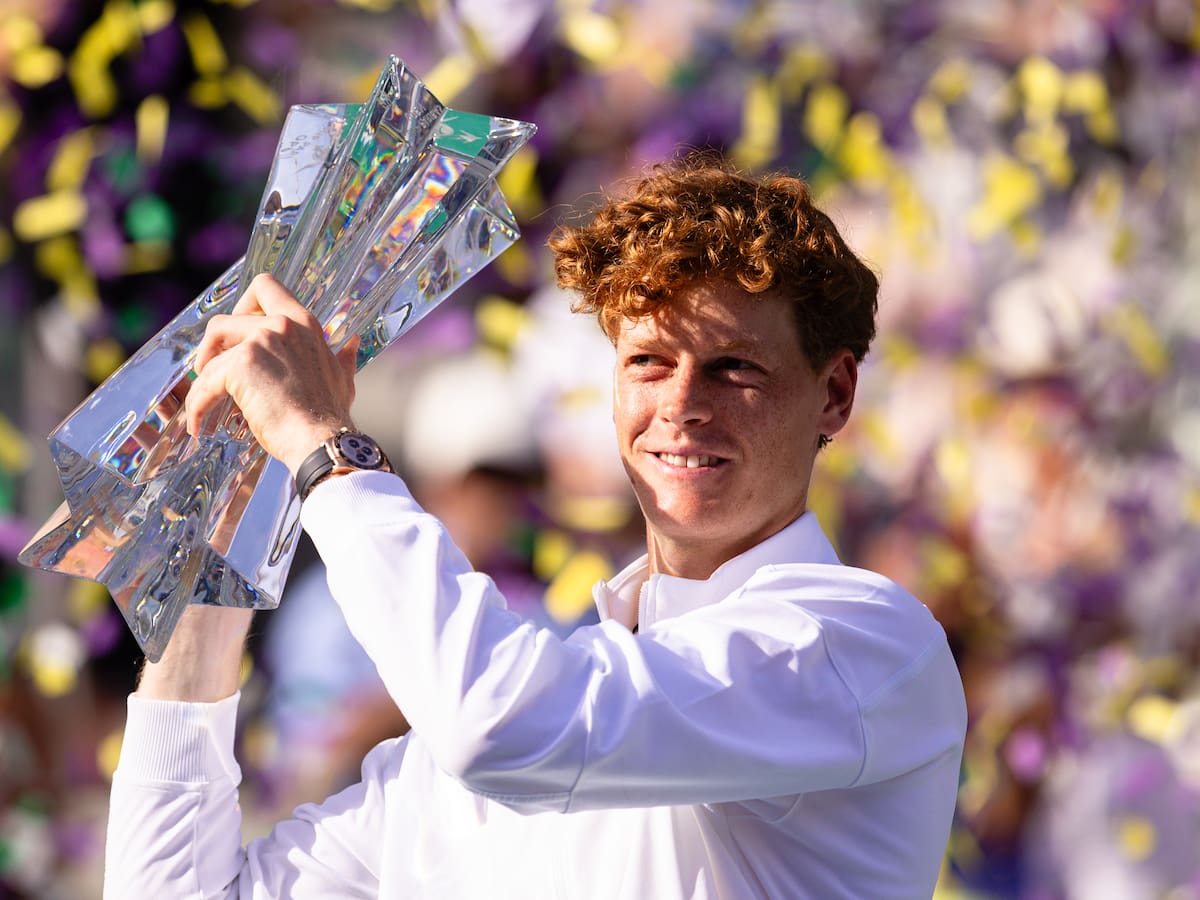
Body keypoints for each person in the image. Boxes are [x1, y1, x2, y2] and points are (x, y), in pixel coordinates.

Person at [104, 155, 967, 899]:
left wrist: (322, 449)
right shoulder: (518, 710)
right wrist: (229, 510)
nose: (680, 407)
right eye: (648, 363)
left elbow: (499, 726)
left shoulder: (864, 645)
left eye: (734, 368)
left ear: (835, 395)